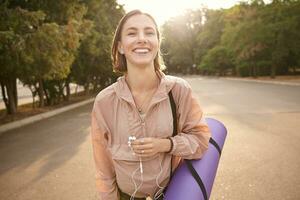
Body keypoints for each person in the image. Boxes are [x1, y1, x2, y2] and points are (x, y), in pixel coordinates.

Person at [90, 10, 211, 200]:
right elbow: (103, 169)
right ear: (120, 47)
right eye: (132, 33)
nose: (141, 39)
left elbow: (201, 140)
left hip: (171, 194)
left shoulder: (178, 90)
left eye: (149, 32)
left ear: (157, 43)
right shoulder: (104, 101)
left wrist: (165, 144)